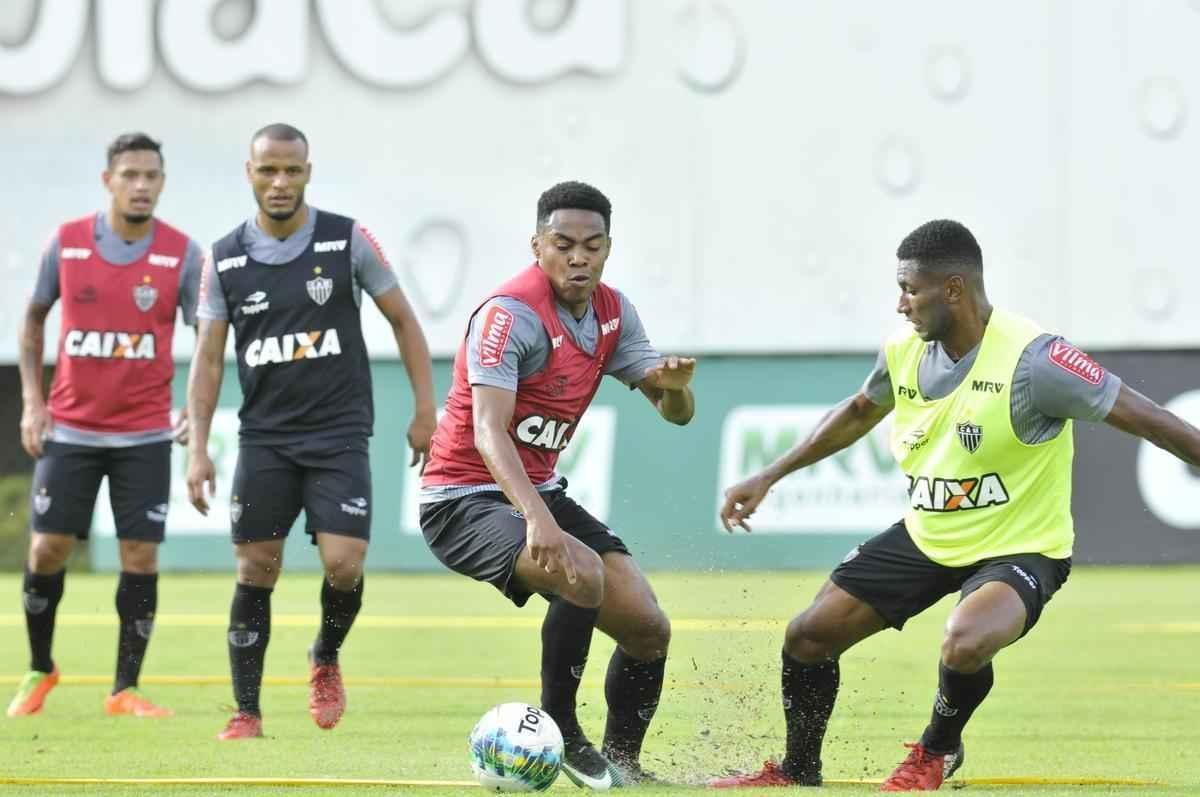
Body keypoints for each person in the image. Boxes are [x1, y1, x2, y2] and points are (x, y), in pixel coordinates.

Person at [713, 219, 1200, 791]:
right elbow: (857, 412)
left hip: (1022, 546)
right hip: (929, 536)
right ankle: (798, 770)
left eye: (909, 290)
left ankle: (937, 748)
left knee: (965, 640)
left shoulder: (1036, 361)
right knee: (807, 637)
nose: (900, 305)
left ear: (953, 290)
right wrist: (770, 474)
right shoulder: (904, 351)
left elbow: (1151, 418)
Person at [419, 181, 696, 789]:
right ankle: (562, 729)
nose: (579, 258)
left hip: (538, 490)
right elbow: (489, 434)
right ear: (538, 245)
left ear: (608, 248)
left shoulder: (613, 313)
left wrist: (675, 387)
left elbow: (677, 415)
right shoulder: (509, 314)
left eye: (592, 246)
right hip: (461, 498)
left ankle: (623, 765)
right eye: (564, 244)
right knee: (582, 572)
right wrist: (540, 524)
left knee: (649, 629)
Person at [185, 123, 436, 740]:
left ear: (307, 172)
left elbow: (404, 321)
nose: (279, 182)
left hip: (339, 432)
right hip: (264, 439)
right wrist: (197, 448)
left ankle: (324, 655)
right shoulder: (221, 258)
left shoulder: (346, 240)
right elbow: (209, 360)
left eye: (291, 170)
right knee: (255, 568)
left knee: (344, 564)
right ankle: (247, 711)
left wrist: (426, 411)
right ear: (249, 172)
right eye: (268, 170)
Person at [10, 132, 203, 720]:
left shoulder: (182, 253)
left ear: (162, 182)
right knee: (47, 548)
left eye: (152, 176)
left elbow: (209, 337)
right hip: (70, 428)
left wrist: (195, 405)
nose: (141, 185)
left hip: (144, 434)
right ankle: (41, 668)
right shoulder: (66, 244)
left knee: (139, 555)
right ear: (108, 180)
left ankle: (125, 689)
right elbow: (33, 320)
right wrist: (32, 402)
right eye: (130, 175)